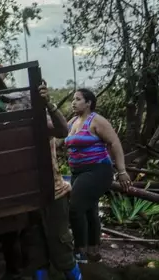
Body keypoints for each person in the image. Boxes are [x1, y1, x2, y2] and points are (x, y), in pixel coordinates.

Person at [1, 83, 83, 280]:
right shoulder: (9, 127)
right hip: (30, 199)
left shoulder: (39, 123)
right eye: (8, 104)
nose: (9, 107)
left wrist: (48, 104)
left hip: (53, 194)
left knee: (61, 247)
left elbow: (63, 130)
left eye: (14, 102)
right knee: (36, 251)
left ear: (27, 104)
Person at [65, 89, 132, 263]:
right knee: (89, 210)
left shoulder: (96, 121)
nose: (73, 102)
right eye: (73, 99)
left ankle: (79, 251)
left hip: (97, 171)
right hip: (77, 172)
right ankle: (93, 252)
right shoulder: (72, 121)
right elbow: (58, 137)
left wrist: (122, 171)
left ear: (88, 103)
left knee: (75, 207)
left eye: (78, 99)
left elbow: (114, 143)